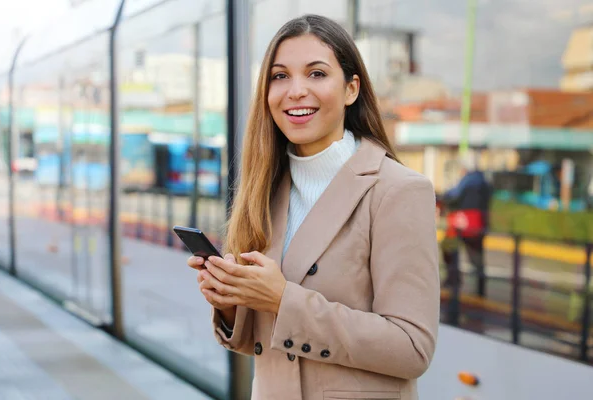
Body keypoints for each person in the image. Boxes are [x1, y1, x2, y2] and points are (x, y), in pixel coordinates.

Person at [187, 14, 439, 400]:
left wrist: (282, 299)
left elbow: (412, 348)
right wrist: (230, 303)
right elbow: (266, 345)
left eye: (317, 74)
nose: (295, 91)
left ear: (351, 89)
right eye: (280, 76)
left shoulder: (398, 191)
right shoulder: (264, 191)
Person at [440, 155, 491, 297]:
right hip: (480, 223)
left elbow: (454, 195)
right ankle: (481, 290)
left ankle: (453, 279)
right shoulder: (484, 182)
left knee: (448, 247)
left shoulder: (467, 180)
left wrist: (444, 196)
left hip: (464, 223)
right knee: (477, 259)